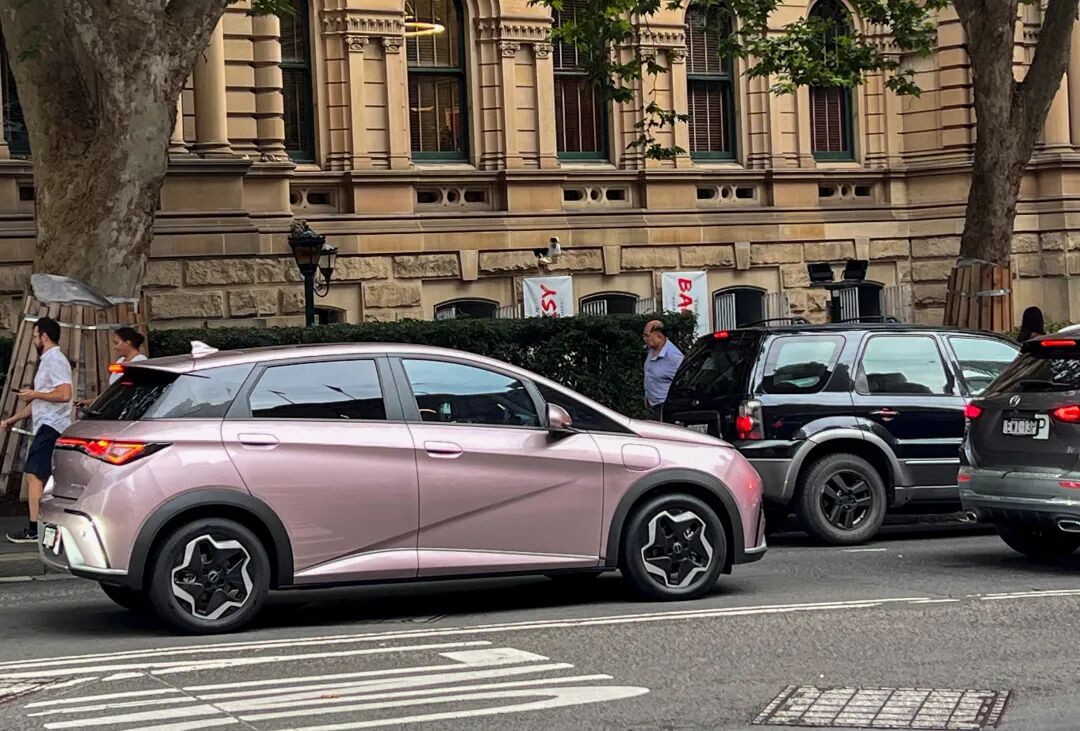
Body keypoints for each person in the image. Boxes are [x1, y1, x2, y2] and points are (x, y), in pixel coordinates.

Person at [3, 317, 73, 544]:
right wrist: (13, 419)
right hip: (47, 425)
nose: (34, 340)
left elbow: (65, 394)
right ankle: (48, 526)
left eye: (35, 336)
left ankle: (35, 529)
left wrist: (34, 394)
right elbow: (41, 401)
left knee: (34, 475)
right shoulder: (48, 361)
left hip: (52, 426)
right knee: (45, 477)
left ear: (44, 336)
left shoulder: (55, 360)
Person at [77, 327, 146, 408]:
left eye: (116, 343)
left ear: (128, 343)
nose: (114, 347)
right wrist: (91, 401)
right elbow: (114, 391)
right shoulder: (120, 360)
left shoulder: (140, 362)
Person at [643, 319, 683, 420]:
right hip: (651, 405)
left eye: (647, 336)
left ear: (659, 337)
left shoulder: (674, 357)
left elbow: (682, 382)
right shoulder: (651, 350)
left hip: (664, 407)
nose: (644, 339)